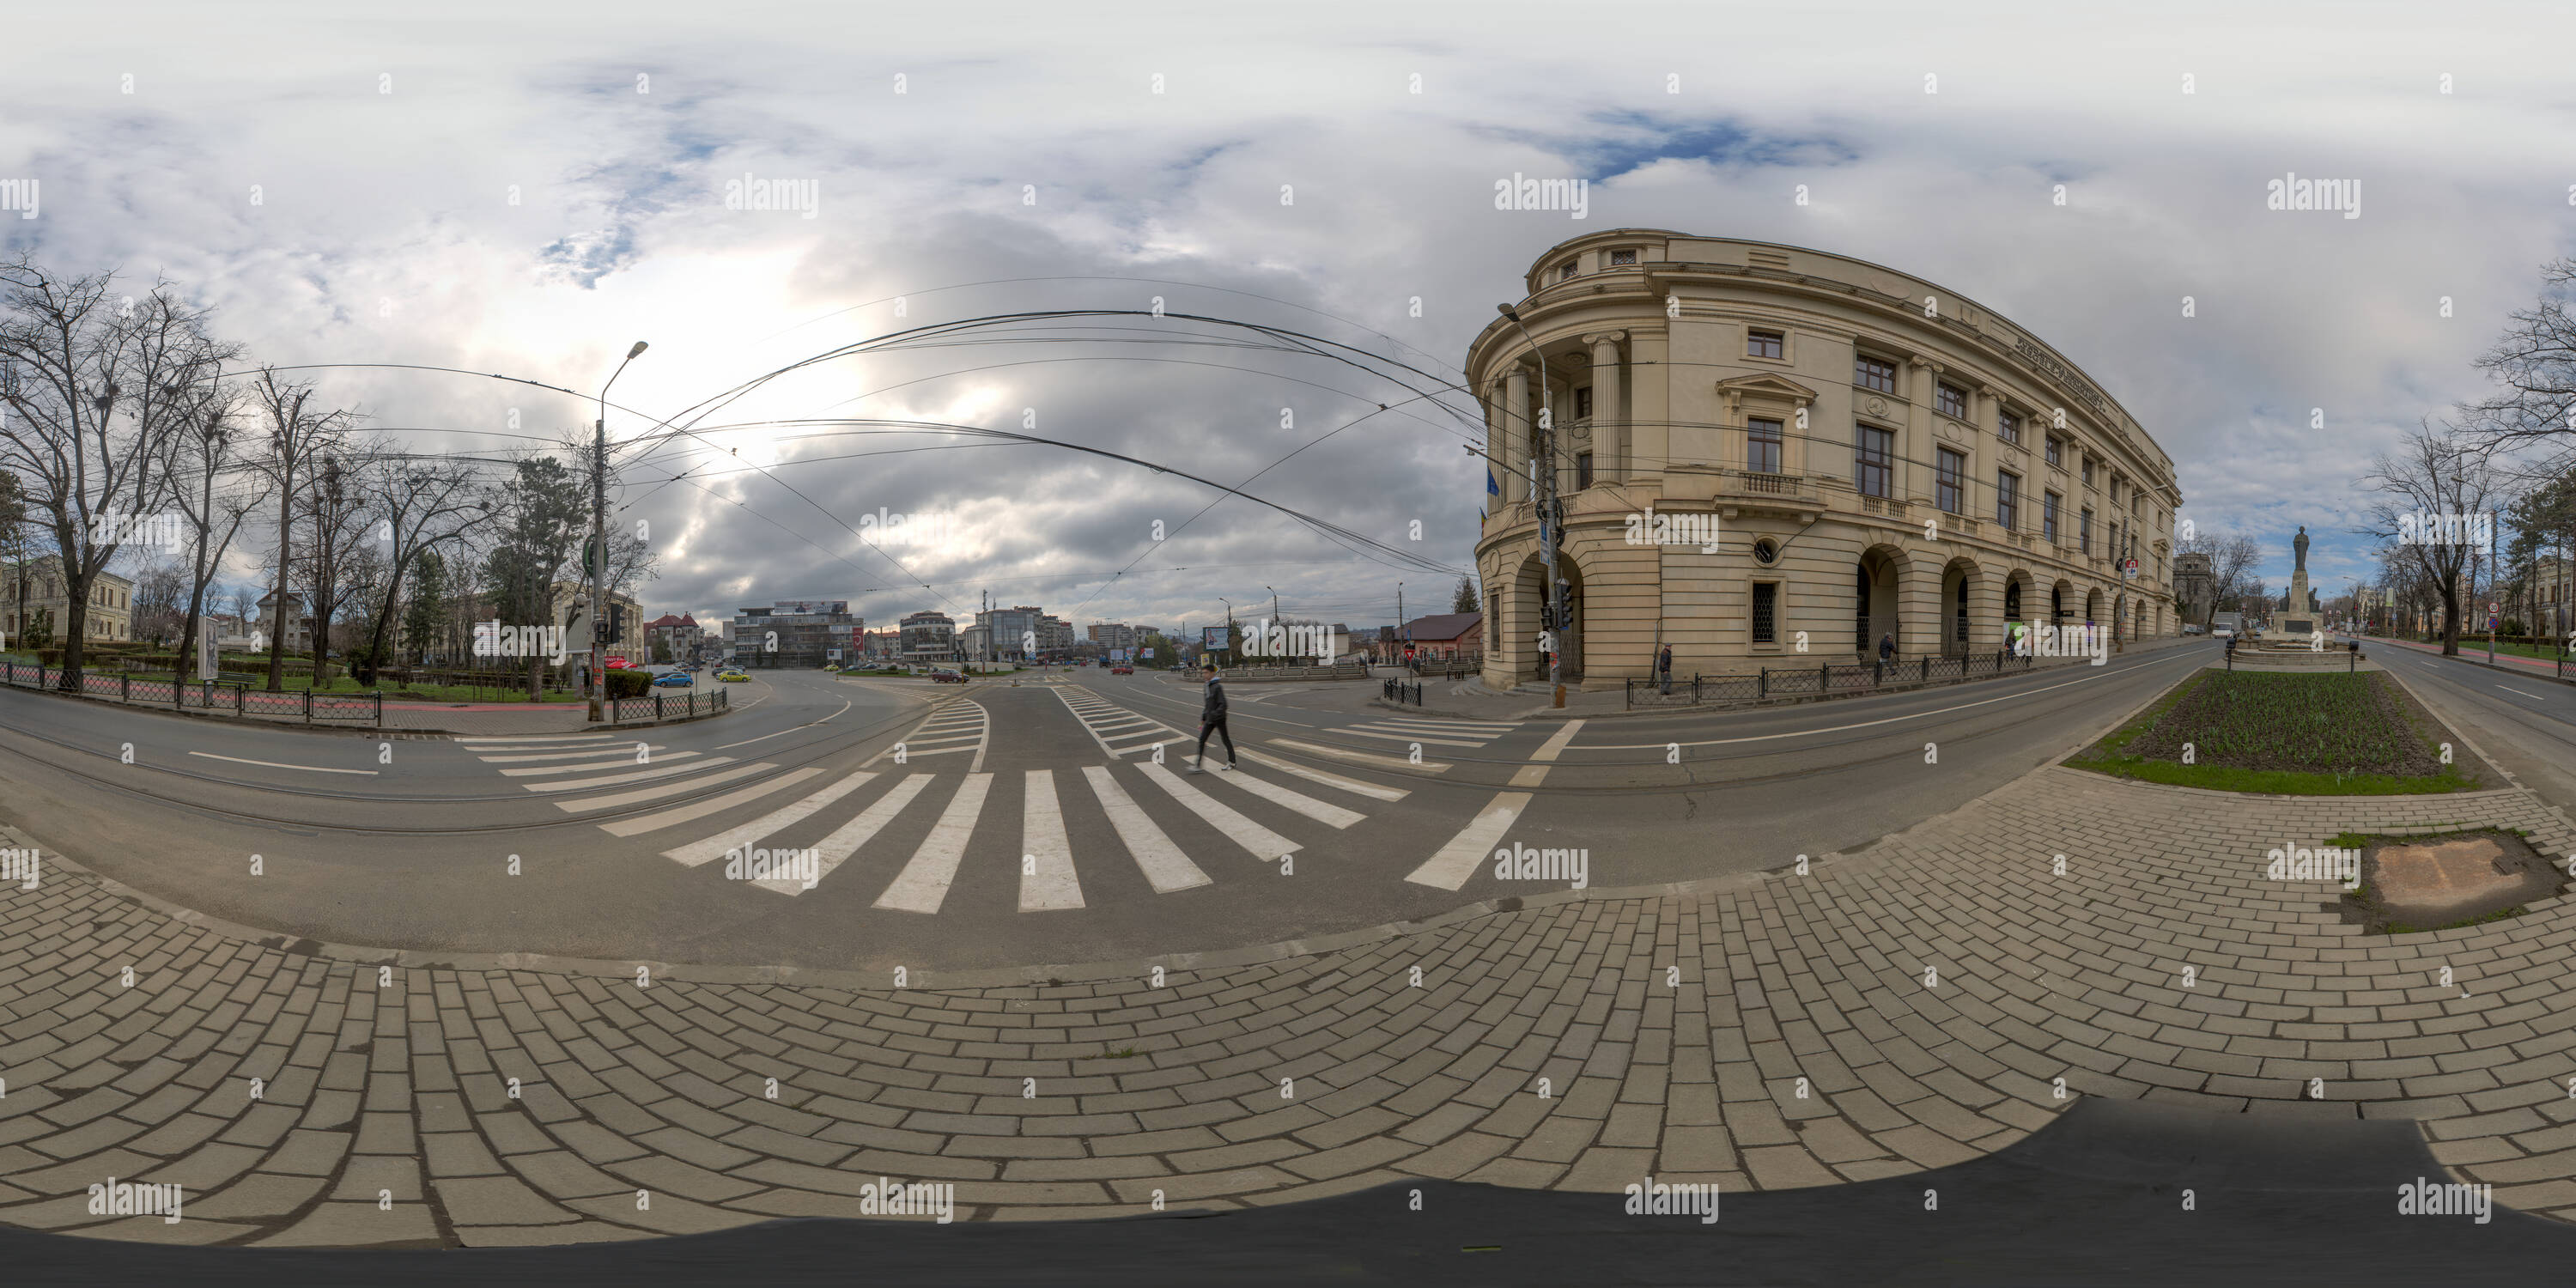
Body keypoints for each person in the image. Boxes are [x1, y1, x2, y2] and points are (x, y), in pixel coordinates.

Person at [1192, 658, 1235, 772]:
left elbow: (1223, 705)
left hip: (1219, 719)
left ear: (1212, 673)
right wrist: (1203, 718)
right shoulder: (1207, 686)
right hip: (1210, 719)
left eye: (1206, 673)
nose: (1204, 675)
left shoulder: (1217, 687)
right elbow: (1208, 705)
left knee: (1225, 740)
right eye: (1203, 673)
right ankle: (1197, 765)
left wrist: (1214, 715)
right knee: (1202, 740)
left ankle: (1232, 762)